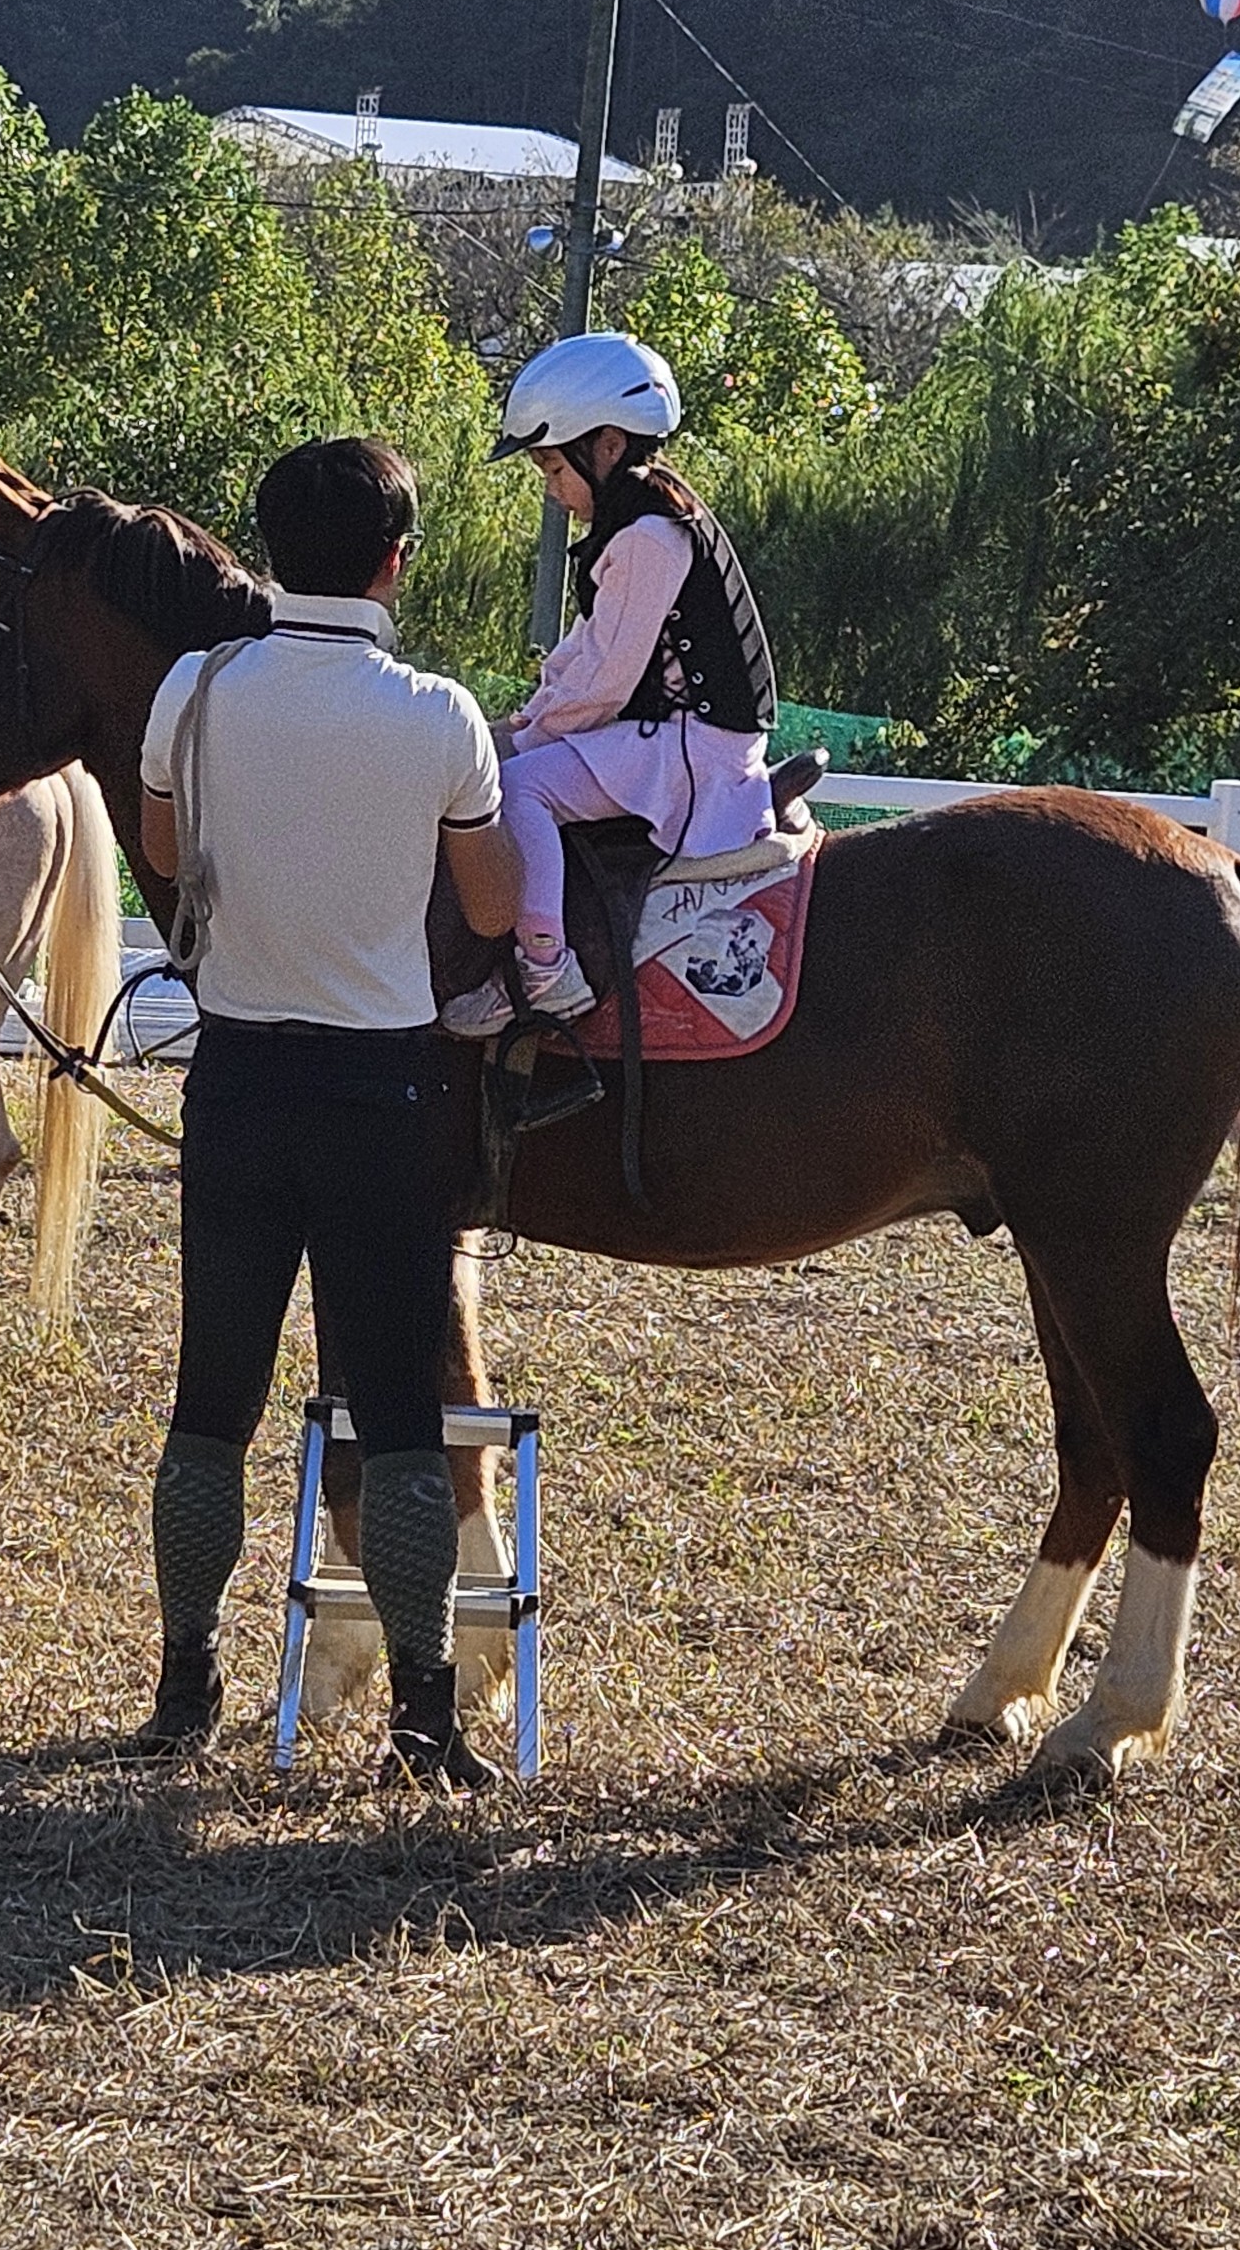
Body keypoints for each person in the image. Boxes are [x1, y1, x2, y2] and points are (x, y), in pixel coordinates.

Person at [132, 435, 516, 1788]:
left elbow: (164, 853)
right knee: (397, 1413)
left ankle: (184, 1678)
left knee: (210, 1402)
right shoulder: (438, 715)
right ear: (394, 560)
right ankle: (423, 1711)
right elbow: (489, 907)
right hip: (377, 1090)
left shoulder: (192, 689)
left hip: (238, 1078)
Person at [491, 333, 780, 1021]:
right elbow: (583, 652)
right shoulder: (637, 522)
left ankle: (545, 968)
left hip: (694, 749)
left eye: (552, 467)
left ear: (609, 445)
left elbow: (606, 684)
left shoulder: (649, 536)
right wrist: (522, 721)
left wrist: (524, 746)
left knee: (520, 789)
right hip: (674, 736)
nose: (552, 490)